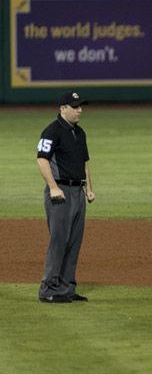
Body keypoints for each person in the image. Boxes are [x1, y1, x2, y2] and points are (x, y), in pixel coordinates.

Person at [36, 91, 96, 303]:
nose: (80, 109)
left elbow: (85, 164)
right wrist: (53, 187)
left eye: (80, 106)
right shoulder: (52, 131)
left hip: (78, 193)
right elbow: (42, 160)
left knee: (73, 242)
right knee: (59, 241)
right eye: (75, 106)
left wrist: (89, 189)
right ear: (63, 108)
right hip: (60, 194)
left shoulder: (80, 133)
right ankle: (48, 289)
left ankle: (67, 288)